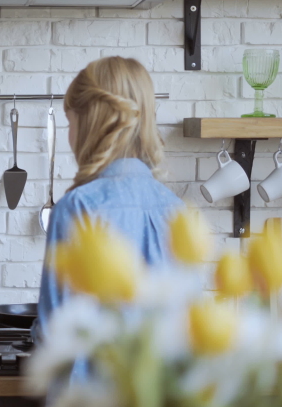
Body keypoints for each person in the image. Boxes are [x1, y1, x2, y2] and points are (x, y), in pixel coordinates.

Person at [34, 56, 183, 383]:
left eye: (70, 122)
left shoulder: (78, 207)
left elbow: (55, 332)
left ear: (91, 124)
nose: (69, 135)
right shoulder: (178, 211)